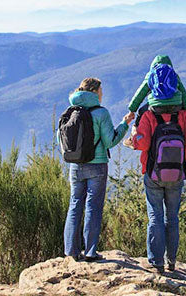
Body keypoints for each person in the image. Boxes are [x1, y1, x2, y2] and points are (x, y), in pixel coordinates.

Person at [62, 77, 134, 261]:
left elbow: (61, 140)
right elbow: (111, 140)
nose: (102, 94)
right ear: (94, 91)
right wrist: (125, 124)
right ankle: (90, 252)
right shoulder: (101, 113)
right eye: (101, 90)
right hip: (97, 166)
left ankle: (71, 251)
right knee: (93, 207)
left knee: (75, 205)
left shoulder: (69, 112)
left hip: (75, 166)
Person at [133, 106, 186, 273]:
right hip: (176, 175)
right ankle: (171, 261)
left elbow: (142, 144)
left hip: (153, 174)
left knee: (155, 217)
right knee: (172, 218)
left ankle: (157, 262)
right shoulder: (182, 114)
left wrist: (135, 132)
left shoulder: (148, 115)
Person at [124, 54, 186, 148]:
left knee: (141, 112)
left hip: (156, 107)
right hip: (175, 106)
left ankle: (133, 137)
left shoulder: (151, 75)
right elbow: (184, 94)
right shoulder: (174, 75)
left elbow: (140, 93)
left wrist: (132, 109)